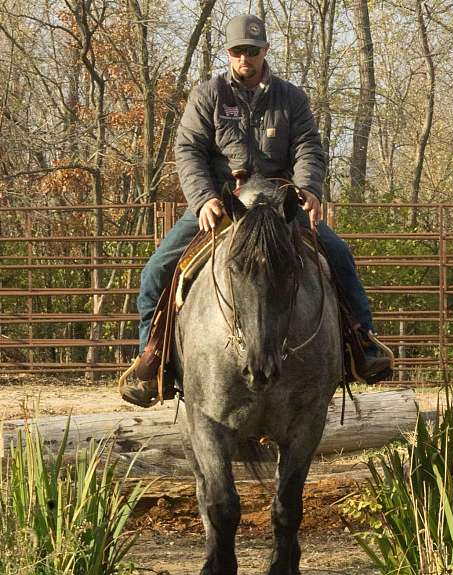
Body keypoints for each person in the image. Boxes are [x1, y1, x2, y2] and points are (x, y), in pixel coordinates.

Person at [120, 13, 390, 407]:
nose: (245, 57)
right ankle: (152, 360)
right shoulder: (207, 95)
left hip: (280, 204)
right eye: (238, 51)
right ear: (229, 54)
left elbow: (308, 148)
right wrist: (203, 199)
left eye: (253, 50)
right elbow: (189, 151)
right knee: (156, 271)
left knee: (340, 256)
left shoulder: (291, 97)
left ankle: (361, 345)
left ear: (265, 51)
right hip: (221, 204)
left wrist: (308, 189)